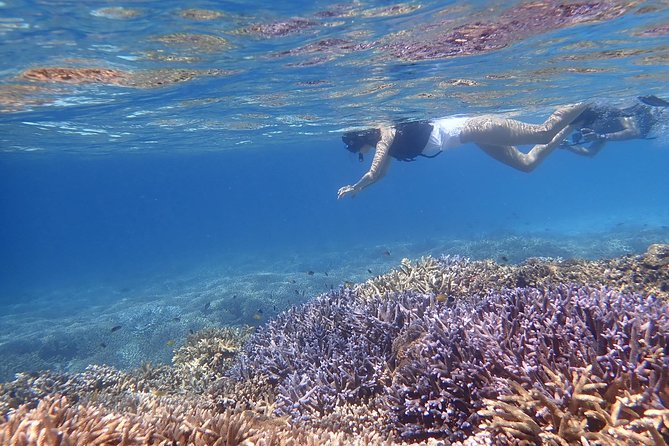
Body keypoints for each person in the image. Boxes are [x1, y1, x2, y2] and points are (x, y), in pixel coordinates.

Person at [337, 103, 587, 199]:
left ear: (362, 138)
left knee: (542, 132)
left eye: (357, 148)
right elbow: (380, 175)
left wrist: (357, 185)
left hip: (475, 127)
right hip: (474, 136)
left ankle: (583, 101)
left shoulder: (385, 135)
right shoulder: (389, 146)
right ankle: (576, 121)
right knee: (526, 164)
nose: (361, 151)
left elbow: (373, 170)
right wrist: (360, 188)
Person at [562, 95, 669, 157]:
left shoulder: (605, 116)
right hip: (652, 122)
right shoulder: (593, 129)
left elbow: (634, 132)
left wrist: (600, 137)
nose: (577, 129)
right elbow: (591, 152)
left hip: (654, 115)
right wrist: (567, 147)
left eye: (575, 125)